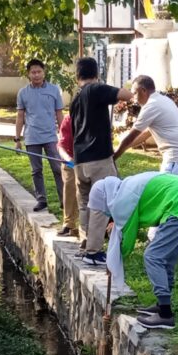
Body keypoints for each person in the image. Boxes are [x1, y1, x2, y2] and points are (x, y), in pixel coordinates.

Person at [88, 172, 178, 330]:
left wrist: (113, 261)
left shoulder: (122, 202)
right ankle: (162, 304)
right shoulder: (124, 189)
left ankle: (165, 315)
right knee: (166, 257)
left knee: (153, 256)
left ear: (104, 200)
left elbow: (127, 239)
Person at [70, 57, 132, 265]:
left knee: (85, 204)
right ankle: (93, 252)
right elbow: (126, 95)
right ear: (96, 74)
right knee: (101, 204)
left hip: (79, 161)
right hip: (99, 159)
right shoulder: (96, 89)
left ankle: (84, 244)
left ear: (77, 75)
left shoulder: (75, 99)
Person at [113, 75, 178, 180]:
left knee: (169, 189)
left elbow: (130, 137)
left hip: (176, 156)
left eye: (135, 93)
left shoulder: (151, 106)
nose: (134, 99)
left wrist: (113, 157)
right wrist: (124, 148)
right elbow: (145, 133)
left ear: (143, 90)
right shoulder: (163, 100)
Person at [15, 59, 65, 212]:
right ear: (28, 74)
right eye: (33, 72)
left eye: (39, 72)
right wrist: (17, 139)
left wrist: (63, 134)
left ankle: (64, 200)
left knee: (57, 168)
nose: (36, 75)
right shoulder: (23, 93)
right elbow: (20, 116)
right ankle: (41, 199)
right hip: (32, 137)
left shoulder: (54, 90)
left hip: (50, 136)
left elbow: (59, 114)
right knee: (36, 170)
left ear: (44, 73)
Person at [56, 113, 79, 236]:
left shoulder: (94, 117)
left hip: (89, 159)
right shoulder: (68, 119)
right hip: (70, 160)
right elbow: (61, 146)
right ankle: (68, 223)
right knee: (70, 186)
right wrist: (69, 159)